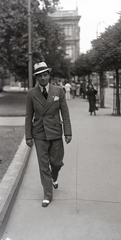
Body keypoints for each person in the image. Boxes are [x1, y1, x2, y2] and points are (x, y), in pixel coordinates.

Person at [25, 62, 72, 207]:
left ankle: (54, 176)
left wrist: (68, 132)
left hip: (56, 132)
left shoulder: (58, 91)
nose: (43, 78)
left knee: (56, 162)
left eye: (45, 75)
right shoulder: (31, 93)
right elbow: (28, 116)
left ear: (49, 75)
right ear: (36, 78)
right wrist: (28, 135)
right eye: (40, 76)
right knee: (43, 165)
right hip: (39, 133)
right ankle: (47, 194)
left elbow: (65, 113)